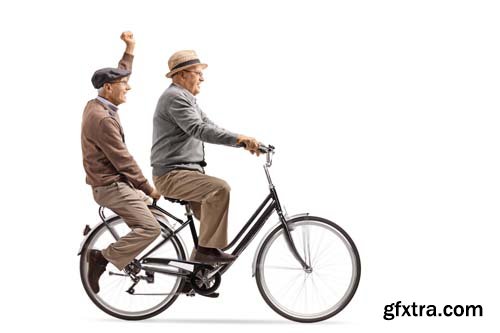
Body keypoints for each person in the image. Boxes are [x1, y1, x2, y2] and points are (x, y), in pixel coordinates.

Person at [151, 50, 261, 264]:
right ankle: (204, 253)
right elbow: (199, 130)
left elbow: (209, 125)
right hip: (172, 175)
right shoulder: (175, 98)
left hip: (186, 173)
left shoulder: (186, 98)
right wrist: (239, 139)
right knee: (220, 189)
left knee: (212, 228)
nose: (202, 78)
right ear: (182, 75)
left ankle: (196, 273)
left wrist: (244, 142)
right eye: (198, 72)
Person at [81, 31, 162, 294]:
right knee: (152, 228)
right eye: (123, 85)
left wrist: (130, 48)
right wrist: (149, 188)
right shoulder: (102, 119)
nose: (128, 87)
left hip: (117, 182)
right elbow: (123, 161)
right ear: (108, 88)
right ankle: (101, 258)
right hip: (111, 187)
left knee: (162, 218)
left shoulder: (99, 104)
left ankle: (130, 253)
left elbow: (121, 73)